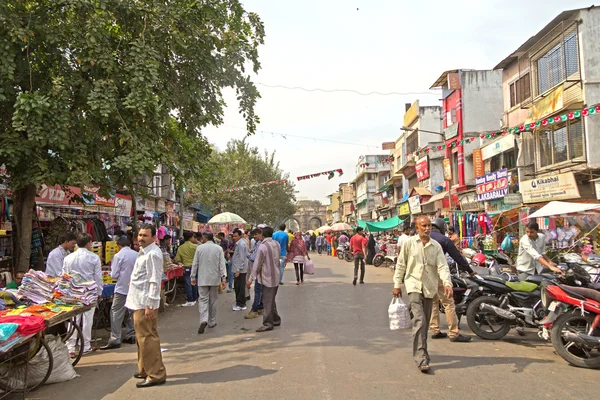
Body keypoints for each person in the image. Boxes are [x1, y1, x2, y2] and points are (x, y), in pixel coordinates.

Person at [393, 216, 453, 373]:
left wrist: (447, 282)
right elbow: (401, 264)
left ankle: (422, 349)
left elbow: (442, 266)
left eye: (429, 226)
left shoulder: (436, 246)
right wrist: (397, 285)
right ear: (417, 227)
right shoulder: (409, 243)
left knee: (425, 322)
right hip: (413, 285)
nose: (427, 228)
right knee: (419, 320)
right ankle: (421, 358)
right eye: (424, 226)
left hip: (429, 288)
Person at [125, 224, 167, 388]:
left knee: (147, 338)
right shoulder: (144, 252)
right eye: (140, 235)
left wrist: (150, 304)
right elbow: (144, 276)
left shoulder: (153, 254)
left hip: (144, 303)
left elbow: (154, 280)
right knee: (141, 338)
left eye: (145, 235)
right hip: (138, 300)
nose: (141, 238)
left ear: (154, 237)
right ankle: (144, 368)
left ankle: (156, 374)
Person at [429, 218, 472, 343]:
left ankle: (435, 330)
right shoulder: (444, 239)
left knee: (433, 303)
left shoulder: (422, 238)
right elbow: (457, 256)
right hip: (440, 274)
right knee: (448, 303)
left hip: (426, 276)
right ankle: (453, 333)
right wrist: (469, 270)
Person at [62, 233, 103, 355]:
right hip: (88, 293)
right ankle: (85, 346)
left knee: (73, 319)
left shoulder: (68, 258)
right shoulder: (94, 258)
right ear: (88, 243)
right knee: (87, 320)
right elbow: (98, 278)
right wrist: (99, 292)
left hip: (72, 293)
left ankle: (70, 347)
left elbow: (64, 277)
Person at [100, 237, 138, 350]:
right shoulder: (136, 255)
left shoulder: (118, 256)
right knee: (132, 312)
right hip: (133, 287)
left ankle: (115, 338)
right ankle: (131, 334)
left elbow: (114, 274)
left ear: (118, 246)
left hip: (121, 288)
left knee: (116, 312)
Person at [191, 232, 227, 334]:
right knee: (213, 300)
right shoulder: (218, 249)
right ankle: (212, 321)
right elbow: (222, 264)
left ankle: (203, 320)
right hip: (215, 279)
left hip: (202, 278)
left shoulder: (199, 248)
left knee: (203, 300)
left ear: (205, 238)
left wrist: (193, 276)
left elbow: (195, 263)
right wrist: (223, 278)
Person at [246, 226, 281, 332]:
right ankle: (275, 319)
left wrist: (251, 278)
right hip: (275, 275)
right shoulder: (276, 244)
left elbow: (257, 264)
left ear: (263, 235)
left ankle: (268, 323)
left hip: (267, 277)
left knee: (267, 301)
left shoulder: (263, 246)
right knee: (271, 299)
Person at [175, 232, 199, 307]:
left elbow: (178, 259)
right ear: (191, 238)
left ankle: (190, 299)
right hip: (195, 267)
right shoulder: (196, 247)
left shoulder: (180, 248)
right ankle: (195, 297)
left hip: (186, 267)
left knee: (188, 283)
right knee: (195, 282)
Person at [245, 228, 264, 319]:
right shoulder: (258, 243)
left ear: (261, 234)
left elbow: (255, 259)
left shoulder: (261, 244)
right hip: (261, 271)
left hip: (260, 271)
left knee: (258, 290)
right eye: (254, 235)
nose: (254, 236)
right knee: (260, 290)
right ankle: (261, 307)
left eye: (256, 234)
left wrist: (247, 255)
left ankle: (255, 310)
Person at [231, 229, 250, 311]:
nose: (234, 238)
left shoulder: (241, 244)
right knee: (238, 286)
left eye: (236, 236)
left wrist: (238, 270)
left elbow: (242, 258)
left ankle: (241, 304)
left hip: (240, 270)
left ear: (240, 236)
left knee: (239, 287)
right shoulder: (240, 243)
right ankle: (240, 303)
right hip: (238, 269)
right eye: (233, 236)